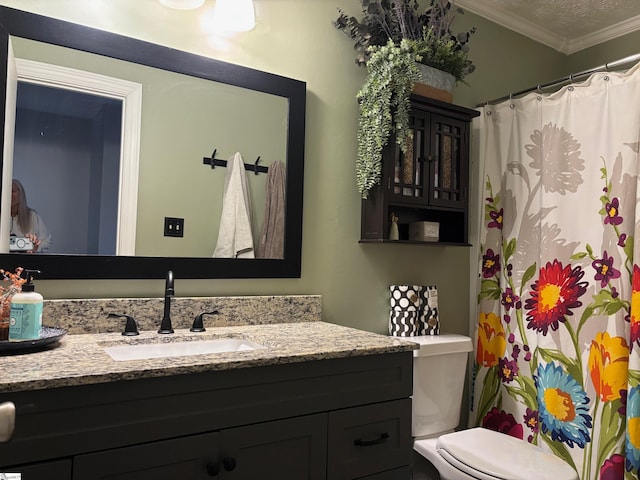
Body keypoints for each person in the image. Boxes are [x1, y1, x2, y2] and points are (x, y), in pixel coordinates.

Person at [10, 179, 51, 253]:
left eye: (12, 191)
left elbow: (46, 241)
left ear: (21, 194)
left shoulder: (32, 216)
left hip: (25, 260)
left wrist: (35, 248)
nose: (9, 194)